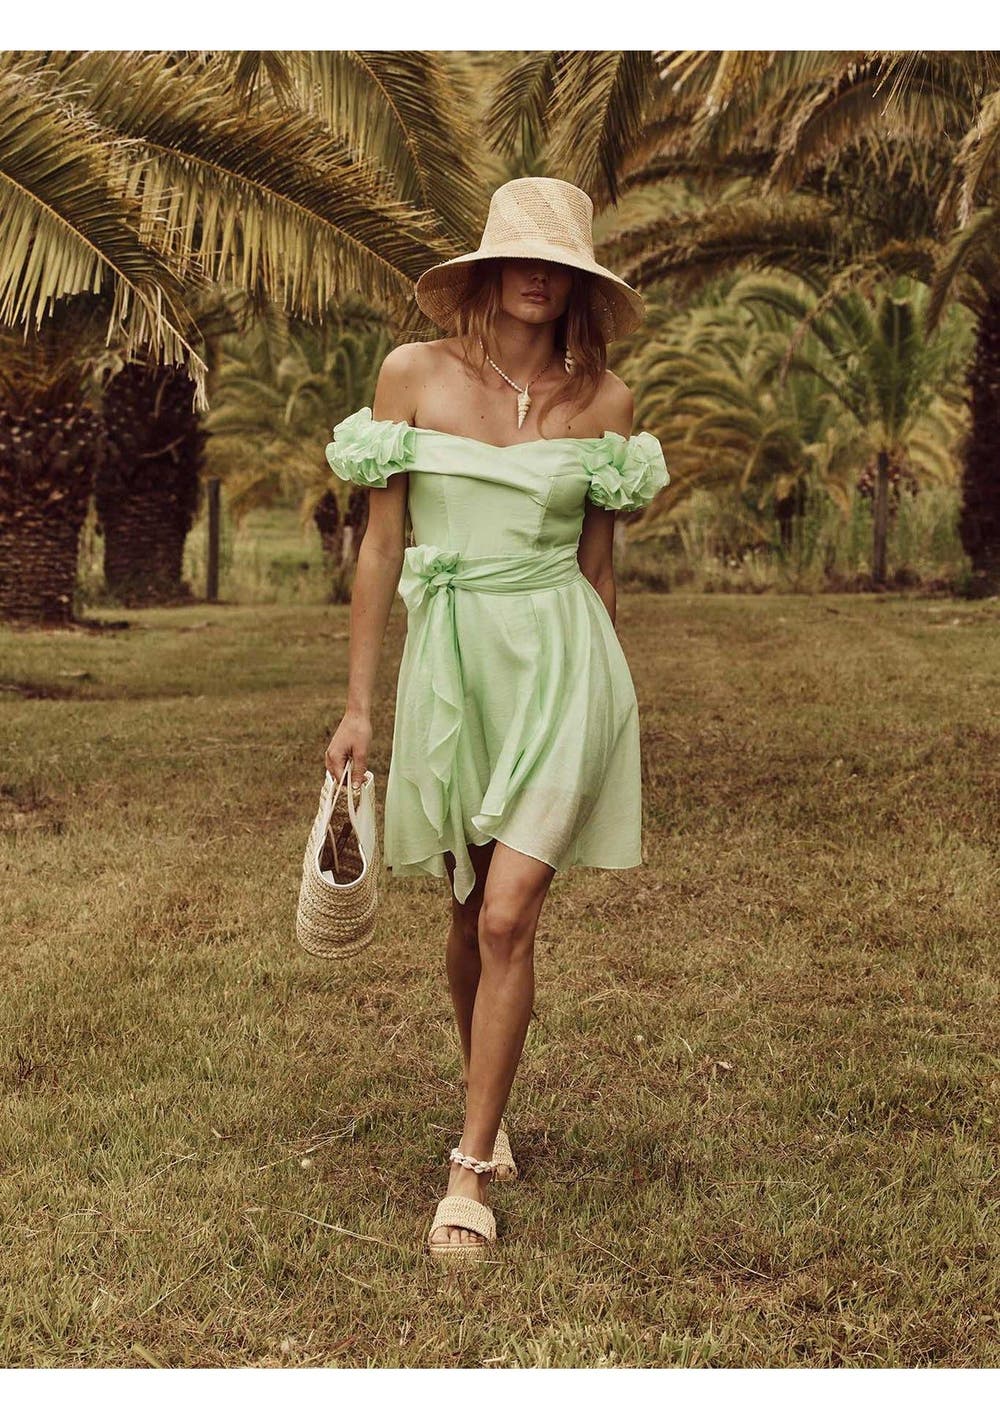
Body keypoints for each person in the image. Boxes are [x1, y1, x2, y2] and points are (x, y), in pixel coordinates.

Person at [323, 176, 669, 1260]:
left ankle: (468, 1171)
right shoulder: (412, 375)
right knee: (468, 907)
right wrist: (359, 708)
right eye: (518, 257)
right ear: (483, 271)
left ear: (579, 284)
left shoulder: (607, 402)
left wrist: (609, 693)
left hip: (565, 663)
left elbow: (599, 571)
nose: (535, 277)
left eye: (556, 264)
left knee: (511, 913)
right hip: (454, 667)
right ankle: (489, 1093)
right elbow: (382, 548)